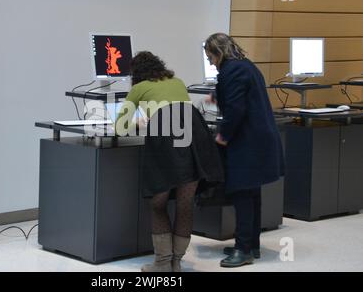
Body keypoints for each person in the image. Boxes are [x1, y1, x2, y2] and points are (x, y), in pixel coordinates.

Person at [115, 51, 223, 272]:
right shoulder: (177, 81)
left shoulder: (138, 88)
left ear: (135, 73)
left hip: (166, 141)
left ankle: (162, 263)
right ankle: (176, 263)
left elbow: (119, 126)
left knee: (158, 203)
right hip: (195, 138)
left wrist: (141, 123)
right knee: (185, 204)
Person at [204, 33, 284, 268]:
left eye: (210, 57)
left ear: (219, 53)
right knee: (251, 194)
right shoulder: (245, 66)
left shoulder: (232, 71)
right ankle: (252, 245)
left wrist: (223, 136)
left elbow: (236, 109)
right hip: (258, 140)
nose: (210, 62)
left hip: (247, 142)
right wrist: (216, 96)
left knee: (242, 195)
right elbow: (240, 96)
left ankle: (242, 250)